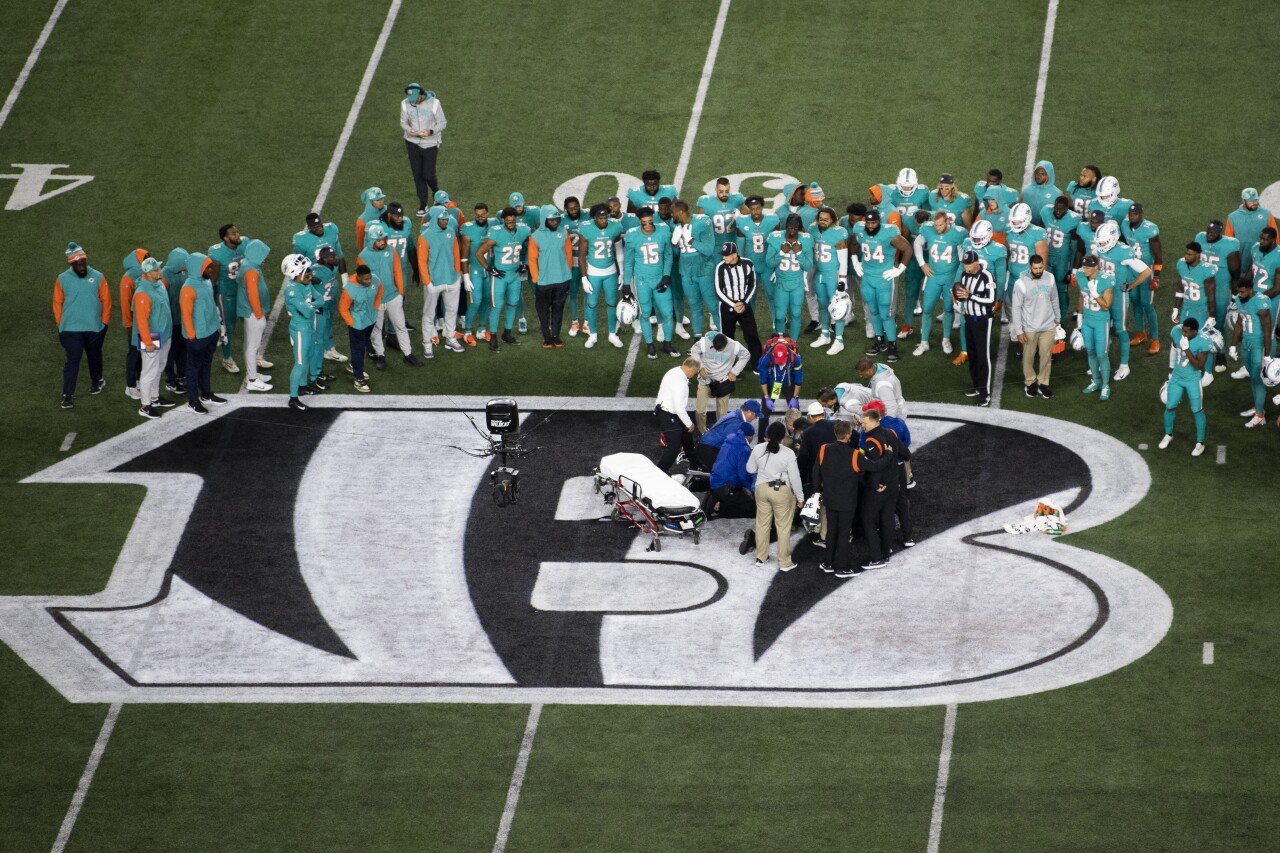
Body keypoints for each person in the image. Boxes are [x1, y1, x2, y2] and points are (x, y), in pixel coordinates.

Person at [53, 242, 111, 409]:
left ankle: (97, 380)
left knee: (94, 356)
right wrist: (60, 325)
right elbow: (57, 303)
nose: (81, 266)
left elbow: (106, 300)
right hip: (71, 330)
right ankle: (67, 395)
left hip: (94, 327)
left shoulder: (98, 276)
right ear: (71, 264)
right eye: (77, 264)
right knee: (73, 360)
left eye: (83, 262)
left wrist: (104, 323)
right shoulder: (62, 279)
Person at [1093, 221, 1152, 382]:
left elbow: (1146, 271)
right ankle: (1102, 361)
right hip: (1102, 293)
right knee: (1102, 328)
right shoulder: (1099, 248)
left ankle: (1124, 365)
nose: (1101, 245)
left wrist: (1131, 285)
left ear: (1112, 239)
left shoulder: (1124, 252)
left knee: (1120, 328)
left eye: (1103, 242)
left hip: (1118, 295)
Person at [851, 208, 911, 359]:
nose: (870, 226)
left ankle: (892, 344)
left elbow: (908, 249)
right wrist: (856, 262)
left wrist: (899, 270)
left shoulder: (889, 233)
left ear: (879, 222)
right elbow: (851, 242)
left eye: (874, 222)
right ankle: (879, 340)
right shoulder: (860, 229)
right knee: (873, 312)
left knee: (886, 314)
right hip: (868, 278)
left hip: (885, 279)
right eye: (868, 222)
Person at [746, 420, 804, 571]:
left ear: (768, 435)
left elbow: (750, 469)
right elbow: (795, 478)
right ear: (783, 436)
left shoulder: (758, 448)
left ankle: (761, 557)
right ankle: (784, 562)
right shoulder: (788, 453)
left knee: (762, 524)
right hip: (781, 492)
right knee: (783, 527)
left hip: (761, 489)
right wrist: (800, 497)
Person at [361, 224, 420, 369]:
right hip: (376, 300)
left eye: (383, 239)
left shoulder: (390, 250)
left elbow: (397, 270)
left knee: (400, 326)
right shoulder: (363, 257)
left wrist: (400, 293)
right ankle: (380, 355)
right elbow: (362, 281)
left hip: (393, 296)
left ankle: (408, 354)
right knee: (377, 329)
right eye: (379, 240)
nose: (382, 242)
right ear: (371, 240)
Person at [292, 212, 348, 362]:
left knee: (329, 315)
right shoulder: (301, 240)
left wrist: (345, 278)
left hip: (330, 281)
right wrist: (308, 280)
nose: (319, 228)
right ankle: (317, 349)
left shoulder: (332, 230)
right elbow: (297, 265)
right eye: (315, 227)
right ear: (309, 228)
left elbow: (340, 256)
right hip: (315, 284)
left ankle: (329, 348)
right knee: (318, 319)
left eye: (320, 225)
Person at [857, 405, 907, 570]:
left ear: (874, 421)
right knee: (887, 519)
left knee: (867, 519)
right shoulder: (891, 433)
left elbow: (874, 467)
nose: (862, 426)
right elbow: (906, 454)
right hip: (894, 484)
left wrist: (873, 484)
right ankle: (885, 553)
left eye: (864, 423)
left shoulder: (871, 440)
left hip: (879, 488)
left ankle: (877, 558)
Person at [624, 206, 677, 359]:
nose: (647, 226)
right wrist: (627, 284)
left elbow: (668, 256)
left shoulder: (662, 231)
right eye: (643, 223)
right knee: (645, 313)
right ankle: (649, 344)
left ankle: (667, 343)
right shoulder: (632, 235)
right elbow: (628, 262)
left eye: (649, 222)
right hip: (642, 281)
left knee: (667, 313)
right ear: (639, 222)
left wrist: (666, 276)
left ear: (653, 220)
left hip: (659, 279)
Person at [477, 206, 533, 352]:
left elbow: (532, 245)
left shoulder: (523, 230)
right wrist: (489, 269)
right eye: (508, 222)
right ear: (503, 221)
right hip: (500, 276)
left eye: (513, 221)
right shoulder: (496, 232)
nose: (511, 224)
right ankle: (493, 337)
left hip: (514, 275)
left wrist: (525, 263)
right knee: (497, 306)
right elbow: (479, 253)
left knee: (513, 304)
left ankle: (507, 334)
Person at [812, 419, 862, 577]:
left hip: (829, 498)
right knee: (843, 533)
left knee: (831, 531)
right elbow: (872, 468)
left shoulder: (823, 449)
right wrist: (888, 454)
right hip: (847, 501)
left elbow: (815, 473)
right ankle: (842, 567)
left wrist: (817, 493)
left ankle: (828, 563)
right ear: (848, 435)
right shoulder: (854, 454)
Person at [914, 211, 967, 356]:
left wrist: (959, 278)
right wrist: (922, 264)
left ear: (948, 222)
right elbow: (917, 243)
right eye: (936, 225)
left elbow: (962, 257)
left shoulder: (958, 233)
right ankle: (924, 342)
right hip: (933, 276)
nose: (937, 228)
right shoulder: (927, 228)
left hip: (950, 277)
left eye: (941, 225)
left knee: (948, 309)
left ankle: (946, 339)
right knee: (927, 309)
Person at [417, 205, 468, 357]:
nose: (446, 221)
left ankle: (450, 338)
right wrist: (427, 282)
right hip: (434, 282)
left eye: (446, 218)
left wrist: (457, 274)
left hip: (451, 279)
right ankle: (427, 343)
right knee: (429, 314)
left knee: (452, 311)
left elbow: (455, 253)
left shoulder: (451, 232)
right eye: (442, 219)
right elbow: (422, 262)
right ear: (434, 219)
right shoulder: (424, 237)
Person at [179, 252, 225, 414]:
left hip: (211, 332)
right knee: (193, 369)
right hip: (198, 336)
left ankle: (206, 394)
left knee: (206, 364)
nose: (211, 270)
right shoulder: (188, 288)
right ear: (198, 268)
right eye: (207, 267)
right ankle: (193, 400)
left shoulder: (204, 282)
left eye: (210, 266)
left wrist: (218, 327)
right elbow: (186, 314)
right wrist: (192, 336)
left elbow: (211, 306)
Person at [1010, 254, 1061, 397]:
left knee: (1046, 355)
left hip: (1048, 325)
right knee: (1028, 356)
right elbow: (1016, 308)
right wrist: (1019, 330)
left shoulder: (1050, 277)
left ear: (1043, 265)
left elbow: (1055, 298)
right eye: (1035, 268)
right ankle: (1030, 382)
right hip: (1029, 327)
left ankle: (1043, 383)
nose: (1038, 271)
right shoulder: (1020, 283)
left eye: (1041, 268)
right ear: (1030, 267)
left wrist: (1058, 319)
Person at [577, 202, 626, 349]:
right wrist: (584, 278)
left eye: (605, 217)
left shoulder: (615, 226)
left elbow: (618, 250)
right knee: (591, 304)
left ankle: (612, 334)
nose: (604, 221)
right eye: (600, 218)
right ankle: (593, 334)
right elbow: (582, 255)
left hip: (610, 271)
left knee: (611, 303)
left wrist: (621, 272)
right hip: (593, 271)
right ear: (594, 218)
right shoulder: (586, 229)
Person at [1193, 219, 1241, 367]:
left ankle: (1220, 354)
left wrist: (1234, 297)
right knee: (1201, 321)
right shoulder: (1200, 238)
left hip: (1220, 289)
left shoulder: (1230, 244)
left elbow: (1235, 274)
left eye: (1213, 233)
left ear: (1220, 232)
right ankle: (1201, 350)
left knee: (1218, 324)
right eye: (1208, 231)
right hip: (1202, 287)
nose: (1209, 235)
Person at [131, 257, 174, 418]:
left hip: (164, 334)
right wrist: (148, 342)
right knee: (149, 371)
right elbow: (141, 321)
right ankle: (145, 405)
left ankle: (155, 398)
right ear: (147, 273)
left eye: (159, 268)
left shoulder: (159, 284)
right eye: (155, 270)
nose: (159, 272)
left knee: (159, 367)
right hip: (152, 337)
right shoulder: (142, 293)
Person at [1160, 317, 1210, 456]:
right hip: (1177, 376)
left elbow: (1198, 366)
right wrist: (1170, 371)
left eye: (1187, 332)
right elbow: (1174, 349)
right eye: (1183, 330)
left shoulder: (1203, 341)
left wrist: (1187, 349)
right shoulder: (1176, 332)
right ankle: (1168, 434)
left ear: (1195, 332)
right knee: (1170, 406)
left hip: (1192, 379)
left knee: (1197, 410)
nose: (1183, 334)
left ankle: (1200, 443)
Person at [1229, 276, 1272, 428]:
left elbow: (1268, 331)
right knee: (1252, 375)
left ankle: (1260, 415)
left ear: (1250, 289)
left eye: (1242, 292)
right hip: (1246, 342)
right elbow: (1239, 323)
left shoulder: (1260, 302)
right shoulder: (1239, 299)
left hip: (1258, 345)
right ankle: (1257, 407)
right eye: (1238, 292)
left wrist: (1267, 355)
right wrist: (1233, 345)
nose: (1240, 295)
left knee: (1258, 378)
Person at [955, 249, 998, 406]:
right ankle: (976, 386)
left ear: (976, 263)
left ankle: (985, 393)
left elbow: (992, 300)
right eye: (965, 264)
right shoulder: (965, 275)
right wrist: (958, 295)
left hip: (983, 320)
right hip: (969, 319)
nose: (966, 267)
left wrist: (970, 296)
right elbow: (963, 293)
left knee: (982, 356)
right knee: (972, 355)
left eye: (969, 264)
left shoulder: (987, 276)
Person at [1120, 202, 1163, 355]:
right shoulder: (1124, 225)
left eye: (1136, 214)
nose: (1132, 216)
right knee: (1136, 302)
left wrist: (1156, 277)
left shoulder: (1150, 230)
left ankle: (1155, 339)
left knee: (1147, 304)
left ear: (1141, 214)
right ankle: (1141, 333)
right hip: (1132, 269)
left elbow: (1158, 255)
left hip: (1146, 270)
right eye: (1131, 214)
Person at [670, 199, 717, 336]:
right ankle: (697, 338)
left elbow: (708, 249)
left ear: (680, 212)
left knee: (713, 306)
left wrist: (691, 240)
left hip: (704, 270)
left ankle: (723, 336)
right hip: (686, 271)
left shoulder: (703, 222)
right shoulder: (678, 227)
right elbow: (677, 253)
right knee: (694, 306)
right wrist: (673, 244)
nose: (671, 216)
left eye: (673, 213)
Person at [528, 205, 574, 347]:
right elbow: (532, 259)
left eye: (557, 219)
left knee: (558, 308)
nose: (555, 222)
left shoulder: (563, 232)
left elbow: (568, 253)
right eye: (552, 220)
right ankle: (547, 337)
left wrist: (568, 273)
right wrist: (536, 279)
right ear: (544, 220)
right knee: (543, 310)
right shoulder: (535, 237)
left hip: (562, 280)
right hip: (544, 282)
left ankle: (556, 336)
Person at [809, 207, 851, 354]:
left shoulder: (838, 233)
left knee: (838, 307)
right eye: (821, 219)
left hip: (833, 274)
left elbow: (843, 261)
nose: (823, 222)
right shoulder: (813, 230)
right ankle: (825, 334)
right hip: (819, 274)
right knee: (822, 305)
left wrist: (842, 280)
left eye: (826, 219)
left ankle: (839, 340)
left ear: (832, 220)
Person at [767, 213, 815, 341]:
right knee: (779, 315)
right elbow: (769, 262)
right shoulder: (775, 238)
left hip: (797, 283)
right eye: (790, 227)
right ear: (786, 226)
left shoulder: (806, 240)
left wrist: (799, 252)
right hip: (781, 282)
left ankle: (793, 343)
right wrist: (782, 252)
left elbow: (808, 266)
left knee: (796, 314)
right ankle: (781, 341)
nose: (792, 231)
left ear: (800, 228)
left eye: (795, 228)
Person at [689, 332, 750, 432]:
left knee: (722, 413)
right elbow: (694, 350)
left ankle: (719, 433)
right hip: (705, 381)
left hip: (723, 382)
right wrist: (700, 368)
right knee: (699, 411)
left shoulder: (734, 345)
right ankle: (703, 432)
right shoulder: (704, 342)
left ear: (726, 344)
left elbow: (746, 355)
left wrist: (734, 372)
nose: (718, 351)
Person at [1074, 255, 1115, 401]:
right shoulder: (1080, 275)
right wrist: (1079, 317)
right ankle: (1096, 381)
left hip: (1101, 322)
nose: (1085, 270)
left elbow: (1106, 306)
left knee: (1102, 354)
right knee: (1090, 352)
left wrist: (1095, 293)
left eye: (1088, 268)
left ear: (1096, 267)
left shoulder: (1106, 279)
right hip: (1087, 321)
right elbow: (1080, 296)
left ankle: (1105, 385)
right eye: (1084, 267)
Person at [401, 83, 446, 215]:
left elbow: (443, 123)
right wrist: (409, 130)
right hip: (412, 143)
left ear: (421, 94)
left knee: (428, 174)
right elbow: (403, 122)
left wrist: (431, 131)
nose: (412, 101)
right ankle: (423, 203)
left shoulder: (435, 104)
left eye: (415, 98)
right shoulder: (405, 103)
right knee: (417, 175)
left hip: (430, 143)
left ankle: (437, 192)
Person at [714, 242, 762, 363]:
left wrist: (743, 302)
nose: (724, 257)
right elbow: (718, 290)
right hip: (727, 306)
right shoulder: (720, 267)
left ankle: (757, 363)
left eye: (726, 255)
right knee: (727, 338)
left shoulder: (748, 263)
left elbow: (752, 284)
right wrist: (733, 304)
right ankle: (729, 365)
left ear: (734, 254)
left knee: (752, 335)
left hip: (744, 305)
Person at [281, 253, 318, 411]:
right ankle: (293, 398)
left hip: (308, 325)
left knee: (308, 356)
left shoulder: (304, 284)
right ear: (296, 273)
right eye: (305, 270)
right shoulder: (292, 290)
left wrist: (313, 305)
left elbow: (319, 298)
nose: (309, 273)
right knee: (300, 362)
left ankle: (302, 386)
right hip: (300, 328)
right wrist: (315, 305)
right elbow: (309, 310)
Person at [235, 239, 273, 391]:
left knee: (250, 345)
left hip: (249, 311)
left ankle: (254, 374)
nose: (264, 258)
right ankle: (252, 379)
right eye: (262, 254)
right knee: (252, 346)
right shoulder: (250, 270)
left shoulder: (249, 265)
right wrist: (259, 314)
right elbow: (252, 294)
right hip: (252, 313)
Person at [208, 224, 246, 374]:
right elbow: (213, 276)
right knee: (228, 327)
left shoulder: (245, 243)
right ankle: (227, 359)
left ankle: (255, 355)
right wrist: (213, 295)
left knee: (251, 323)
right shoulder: (217, 253)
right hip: (227, 294)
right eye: (233, 233)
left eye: (237, 231)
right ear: (225, 238)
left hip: (243, 291)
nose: (237, 235)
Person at [339, 264, 382, 393]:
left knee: (364, 343)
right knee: (358, 348)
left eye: (369, 278)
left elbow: (379, 292)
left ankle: (353, 365)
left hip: (370, 319)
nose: (369, 281)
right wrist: (352, 323)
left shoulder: (375, 280)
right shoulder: (349, 289)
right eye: (365, 279)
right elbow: (343, 308)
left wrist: (375, 308)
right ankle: (358, 378)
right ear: (358, 278)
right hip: (357, 323)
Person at [654, 356, 700, 472]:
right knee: (674, 444)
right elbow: (679, 408)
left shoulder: (674, 370)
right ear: (691, 369)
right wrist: (690, 424)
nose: (694, 375)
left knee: (686, 437)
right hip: (668, 413)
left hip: (667, 410)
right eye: (695, 372)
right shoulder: (681, 384)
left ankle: (694, 463)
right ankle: (661, 471)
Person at [1041, 195, 1082, 322]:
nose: (1058, 211)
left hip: (1062, 260)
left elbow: (1075, 246)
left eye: (1061, 209)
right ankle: (1047, 318)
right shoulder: (1046, 212)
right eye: (1056, 208)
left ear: (1067, 209)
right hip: (1047, 257)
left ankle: (1061, 320)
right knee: (1045, 289)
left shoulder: (1073, 219)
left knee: (1061, 290)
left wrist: (1072, 269)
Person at [458, 203, 493, 346]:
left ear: (487, 213)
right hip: (475, 270)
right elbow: (464, 257)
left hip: (488, 269)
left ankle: (482, 329)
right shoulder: (468, 229)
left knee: (486, 299)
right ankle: (467, 331)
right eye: (477, 215)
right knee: (475, 300)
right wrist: (466, 277)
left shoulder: (494, 225)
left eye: (483, 215)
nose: (480, 217)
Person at [705, 421, 757, 518]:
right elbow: (743, 475)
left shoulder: (729, 440)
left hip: (715, 482)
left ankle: (718, 500)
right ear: (750, 436)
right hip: (726, 487)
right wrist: (753, 489)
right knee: (752, 508)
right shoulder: (743, 449)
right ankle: (720, 507)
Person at [692, 399, 761, 471]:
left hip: (708, 446)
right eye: (756, 415)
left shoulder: (736, 414)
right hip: (708, 450)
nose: (756, 418)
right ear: (750, 411)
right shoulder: (736, 423)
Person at [736, 195, 779, 307]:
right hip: (751, 265)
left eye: (758, 208)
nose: (755, 212)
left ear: (762, 207)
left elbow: (778, 244)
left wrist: (777, 264)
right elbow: (740, 246)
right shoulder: (742, 222)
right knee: (750, 295)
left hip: (767, 264)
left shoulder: (772, 220)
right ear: (749, 209)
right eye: (752, 209)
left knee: (772, 294)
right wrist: (740, 265)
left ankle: (777, 321)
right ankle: (750, 323)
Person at [757, 337, 804, 439]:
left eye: (782, 360)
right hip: (773, 384)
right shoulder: (765, 360)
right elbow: (763, 381)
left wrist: (794, 397)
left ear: (787, 355)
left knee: (795, 412)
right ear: (773, 354)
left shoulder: (795, 358)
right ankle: (761, 439)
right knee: (764, 412)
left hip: (788, 383)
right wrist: (766, 397)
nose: (781, 363)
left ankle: (797, 438)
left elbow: (798, 380)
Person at [119, 248, 148, 401]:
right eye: (145, 257)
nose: (148, 259)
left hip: (148, 322)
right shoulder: (128, 278)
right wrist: (129, 325)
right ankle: (131, 385)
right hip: (135, 324)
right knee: (134, 353)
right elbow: (125, 304)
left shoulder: (145, 273)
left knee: (146, 353)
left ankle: (139, 380)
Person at [1226, 187, 1277, 272]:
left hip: (1261, 258)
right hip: (1241, 259)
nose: (1254, 203)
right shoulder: (1232, 217)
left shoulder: (1266, 214)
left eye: (1256, 200)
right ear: (1243, 201)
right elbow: (1229, 241)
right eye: (1251, 201)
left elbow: (1275, 236)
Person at [1022, 160, 1060, 226]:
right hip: (1028, 230)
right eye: (1037, 173)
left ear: (1049, 175)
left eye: (1043, 174)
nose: (1038, 176)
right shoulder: (1026, 192)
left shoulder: (1058, 194)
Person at [355, 186, 386, 252]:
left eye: (381, 198)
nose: (381, 201)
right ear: (370, 201)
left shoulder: (389, 211)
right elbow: (362, 245)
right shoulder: (362, 221)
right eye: (377, 200)